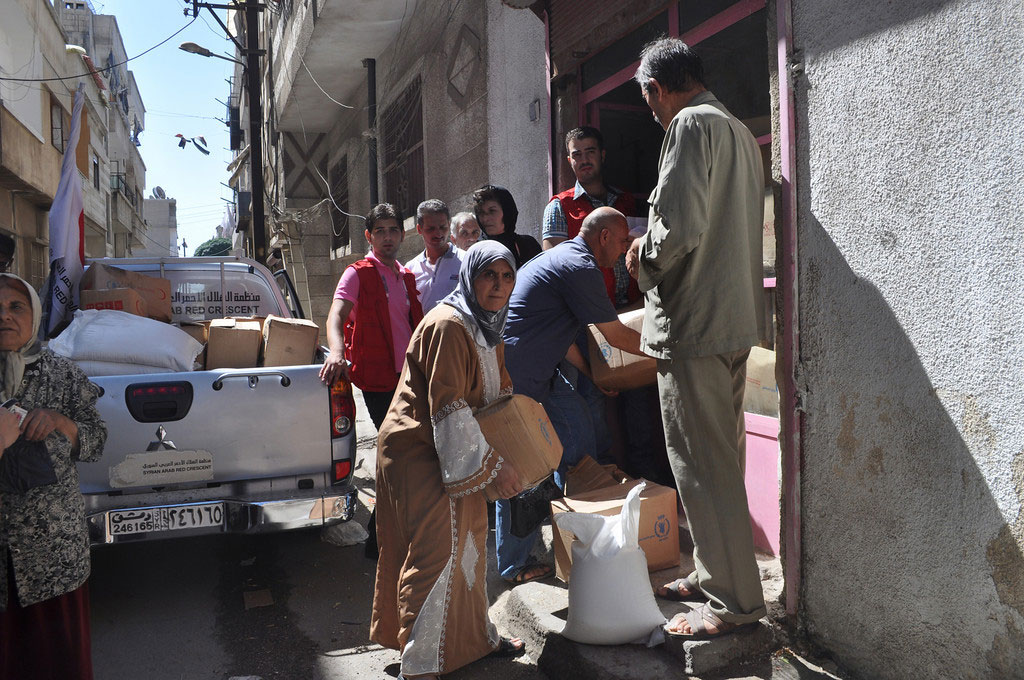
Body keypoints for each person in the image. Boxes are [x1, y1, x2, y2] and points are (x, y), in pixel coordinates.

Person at [626, 37, 767, 638]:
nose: (652, 111)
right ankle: (715, 573)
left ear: (656, 88)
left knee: (703, 466)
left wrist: (641, 260)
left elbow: (676, 228)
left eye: (648, 100)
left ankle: (733, 602)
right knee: (719, 461)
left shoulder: (686, 124)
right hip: (732, 322)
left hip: (694, 324)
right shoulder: (735, 129)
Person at [370, 241, 526, 680]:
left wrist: (518, 446)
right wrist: (495, 467)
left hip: (456, 448)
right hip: (419, 450)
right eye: (489, 275)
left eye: (506, 276)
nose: (498, 285)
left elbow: (496, 395)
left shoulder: (488, 326)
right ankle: (421, 664)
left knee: (470, 546)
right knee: (437, 552)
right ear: (470, 277)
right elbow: (450, 408)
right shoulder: (449, 325)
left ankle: (472, 642)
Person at [496, 207, 645, 583]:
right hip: (518, 376)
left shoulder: (565, 259)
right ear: (605, 237)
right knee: (524, 468)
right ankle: (514, 565)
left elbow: (561, 339)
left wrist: (594, 376)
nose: (625, 249)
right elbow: (614, 334)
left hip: (541, 370)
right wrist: (666, 350)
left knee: (577, 429)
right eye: (624, 240)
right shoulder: (579, 267)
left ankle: (581, 525)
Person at [0, 274, 108, 679]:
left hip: (53, 553)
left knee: (58, 661)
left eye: (16, 307)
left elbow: (97, 440)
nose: (5, 317)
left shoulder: (62, 375)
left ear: (34, 315)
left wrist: (63, 423)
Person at [320, 203, 424, 430]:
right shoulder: (356, 273)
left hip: (409, 375)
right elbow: (335, 316)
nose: (387, 237)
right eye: (380, 231)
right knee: (391, 438)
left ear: (402, 235)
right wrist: (337, 353)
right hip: (377, 377)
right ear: (369, 236)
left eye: (393, 230)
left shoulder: (407, 276)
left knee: (413, 440)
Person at [542, 126, 640, 306]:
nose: (584, 159)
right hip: (590, 312)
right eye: (577, 154)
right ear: (570, 160)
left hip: (634, 303)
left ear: (602, 155)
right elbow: (554, 269)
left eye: (590, 151)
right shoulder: (559, 206)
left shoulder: (625, 200)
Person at [405, 200, 463, 312]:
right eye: (431, 229)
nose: (438, 234)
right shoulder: (410, 269)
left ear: (449, 225)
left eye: (443, 227)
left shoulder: (466, 261)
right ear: (419, 229)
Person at [472, 185, 541, 269]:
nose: (485, 218)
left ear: (507, 212)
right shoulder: (476, 251)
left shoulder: (528, 246)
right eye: (481, 212)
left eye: (492, 211)